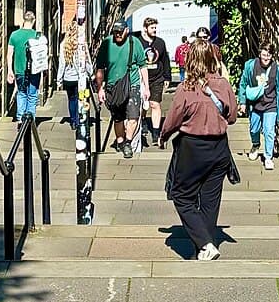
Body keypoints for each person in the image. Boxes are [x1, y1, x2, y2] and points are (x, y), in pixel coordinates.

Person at [160, 42, 239, 261]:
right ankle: (204, 248)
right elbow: (231, 117)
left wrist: (164, 135)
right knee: (210, 200)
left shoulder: (186, 87)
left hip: (193, 148)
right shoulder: (223, 84)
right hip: (220, 148)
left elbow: (174, 118)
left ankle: (204, 243)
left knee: (182, 195)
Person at [95, 19, 149, 158]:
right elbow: (100, 69)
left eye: (120, 32)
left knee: (133, 116)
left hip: (133, 84)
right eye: (115, 32)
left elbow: (143, 66)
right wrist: (100, 89)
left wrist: (146, 87)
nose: (118, 35)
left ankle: (128, 143)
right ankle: (120, 141)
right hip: (113, 86)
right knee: (118, 118)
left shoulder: (134, 43)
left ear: (126, 30)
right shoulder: (107, 43)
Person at [239, 42, 279, 171]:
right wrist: (242, 102)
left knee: (269, 131)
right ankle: (255, 145)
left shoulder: (277, 69)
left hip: (270, 104)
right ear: (260, 53)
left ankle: (268, 157)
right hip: (255, 104)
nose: (266, 58)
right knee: (254, 129)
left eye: (269, 55)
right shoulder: (251, 66)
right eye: (264, 55)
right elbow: (243, 83)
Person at [138, 16, 172, 148]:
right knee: (143, 105)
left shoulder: (160, 43)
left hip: (157, 78)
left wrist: (167, 77)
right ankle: (143, 124)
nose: (154, 30)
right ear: (145, 29)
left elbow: (165, 60)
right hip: (141, 79)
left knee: (155, 104)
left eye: (155, 27)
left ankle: (156, 133)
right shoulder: (138, 42)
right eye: (152, 28)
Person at [4, 10, 43, 121]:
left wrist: (10, 71)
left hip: (19, 70)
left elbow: (9, 54)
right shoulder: (37, 36)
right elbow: (41, 56)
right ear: (33, 21)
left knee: (21, 93)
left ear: (24, 20)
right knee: (32, 95)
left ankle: (21, 118)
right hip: (34, 71)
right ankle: (30, 120)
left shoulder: (14, 35)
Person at [58, 14, 93, 133]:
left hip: (68, 79)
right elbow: (87, 60)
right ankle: (80, 120)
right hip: (81, 79)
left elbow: (62, 64)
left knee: (71, 100)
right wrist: (91, 73)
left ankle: (73, 121)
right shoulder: (82, 43)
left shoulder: (63, 45)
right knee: (82, 99)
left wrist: (59, 79)